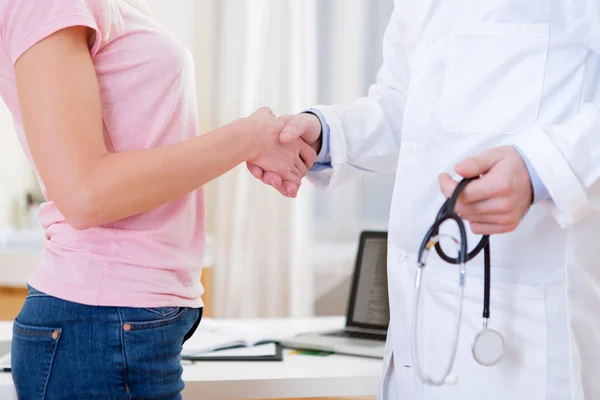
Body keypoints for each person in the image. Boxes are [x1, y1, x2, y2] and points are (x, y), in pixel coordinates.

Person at [249, 1, 600, 399]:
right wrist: (326, 134)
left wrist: (540, 170)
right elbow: (404, 104)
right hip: (422, 321)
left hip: (523, 329)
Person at [0, 0, 315, 398]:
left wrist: (257, 140)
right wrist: (245, 137)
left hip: (126, 321)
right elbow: (84, 194)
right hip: (100, 321)